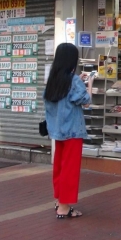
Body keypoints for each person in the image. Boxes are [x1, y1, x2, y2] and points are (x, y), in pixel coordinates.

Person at [44, 43, 93, 219]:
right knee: (70, 170)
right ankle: (64, 208)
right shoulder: (74, 81)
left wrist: (76, 80)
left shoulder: (53, 80)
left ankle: (59, 201)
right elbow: (86, 101)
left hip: (57, 132)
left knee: (59, 166)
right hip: (73, 131)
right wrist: (89, 84)